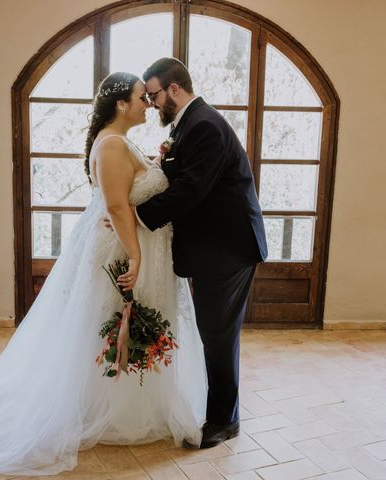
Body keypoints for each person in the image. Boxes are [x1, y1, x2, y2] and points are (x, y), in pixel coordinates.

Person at [0, 72, 207, 476]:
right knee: (109, 325)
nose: (147, 104)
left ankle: (128, 404)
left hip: (138, 245)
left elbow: (126, 198)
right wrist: (135, 258)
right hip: (122, 250)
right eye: (140, 98)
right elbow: (116, 208)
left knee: (119, 326)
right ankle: (106, 410)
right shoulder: (113, 145)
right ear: (120, 104)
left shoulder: (119, 141)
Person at [136, 58, 268, 449]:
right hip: (214, 246)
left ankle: (224, 420)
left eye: (154, 94)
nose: (152, 103)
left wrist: (137, 214)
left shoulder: (205, 125)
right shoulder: (190, 125)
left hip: (228, 248)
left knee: (218, 333)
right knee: (214, 331)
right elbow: (182, 176)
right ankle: (223, 412)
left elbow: (191, 189)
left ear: (174, 89)